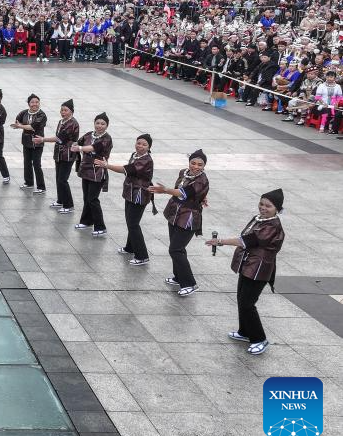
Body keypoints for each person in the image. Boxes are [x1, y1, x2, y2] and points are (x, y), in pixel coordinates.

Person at [205, 188, 285, 356]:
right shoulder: (259, 219)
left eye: (268, 206)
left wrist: (221, 241)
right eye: (261, 204)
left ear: (277, 209)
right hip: (248, 266)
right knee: (242, 300)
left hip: (259, 269)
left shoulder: (272, 225)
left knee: (248, 303)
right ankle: (245, 332)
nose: (263, 208)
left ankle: (259, 339)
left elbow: (248, 240)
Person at [149, 149, 210, 297]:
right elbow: (181, 189)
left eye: (200, 164)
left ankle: (189, 283)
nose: (195, 166)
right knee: (177, 248)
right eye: (193, 163)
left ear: (204, 166)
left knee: (175, 249)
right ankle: (178, 276)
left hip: (188, 218)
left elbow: (183, 192)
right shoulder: (183, 172)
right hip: (174, 214)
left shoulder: (202, 180)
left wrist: (165, 190)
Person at [96, 134, 155, 266]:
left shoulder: (146, 160)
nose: (140, 146)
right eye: (139, 143)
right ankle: (130, 247)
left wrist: (107, 165)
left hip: (139, 194)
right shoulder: (135, 155)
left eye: (144, 144)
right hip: (131, 192)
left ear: (149, 147)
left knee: (133, 224)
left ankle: (142, 256)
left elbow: (125, 170)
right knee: (130, 222)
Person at [34, 99, 79, 214]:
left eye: (65, 110)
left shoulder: (72, 124)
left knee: (63, 180)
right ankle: (60, 200)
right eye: (62, 110)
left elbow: (59, 138)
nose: (63, 112)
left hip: (68, 155)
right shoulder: (61, 121)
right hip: (59, 154)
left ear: (71, 111)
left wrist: (42, 139)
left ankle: (69, 205)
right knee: (58, 178)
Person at [72, 112, 113, 236]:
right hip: (86, 170)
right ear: (94, 123)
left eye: (103, 124)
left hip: (98, 171)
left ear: (107, 125)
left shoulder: (107, 139)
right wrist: (75, 144)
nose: (99, 126)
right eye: (97, 123)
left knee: (93, 199)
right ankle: (86, 221)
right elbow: (78, 142)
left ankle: (101, 227)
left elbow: (93, 148)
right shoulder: (89, 134)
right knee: (86, 198)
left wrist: (79, 148)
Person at [12, 93, 48, 193]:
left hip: (37, 142)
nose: (34, 104)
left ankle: (41, 187)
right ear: (29, 104)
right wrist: (17, 124)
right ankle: (29, 182)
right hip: (26, 141)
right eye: (32, 102)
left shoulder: (42, 115)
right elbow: (17, 121)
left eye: (37, 102)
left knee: (36, 164)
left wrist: (20, 126)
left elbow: (33, 126)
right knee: (27, 162)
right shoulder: (24, 112)